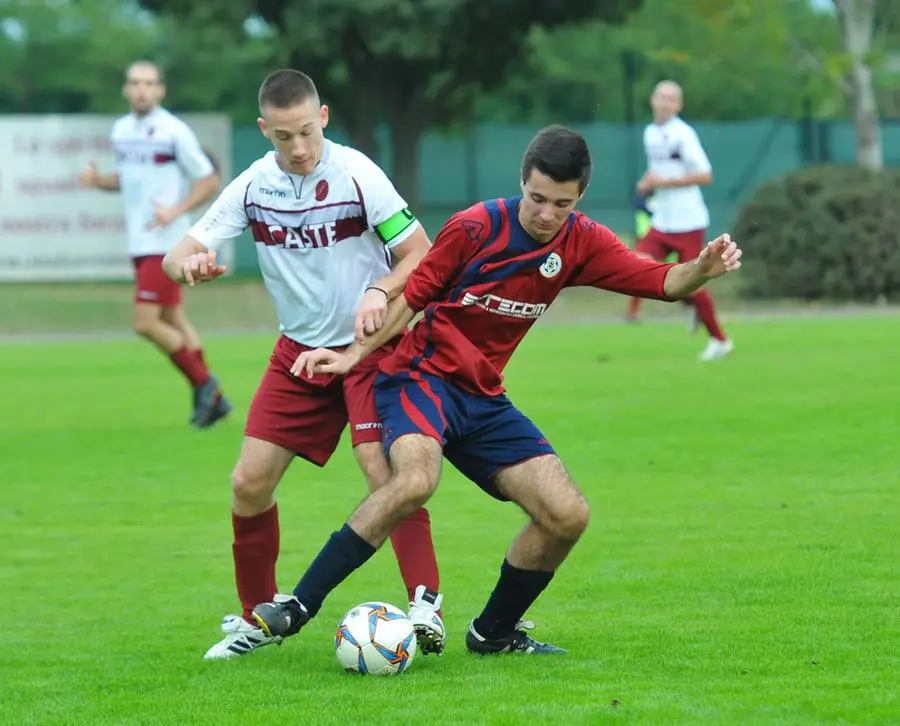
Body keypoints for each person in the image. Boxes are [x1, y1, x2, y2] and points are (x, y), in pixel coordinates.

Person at [249, 124, 743, 656]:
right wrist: (350, 358)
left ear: (579, 198)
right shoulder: (477, 226)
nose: (547, 213)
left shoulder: (582, 241)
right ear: (521, 183)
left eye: (562, 203)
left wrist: (700, 269)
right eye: (537, 198)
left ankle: (494, 633)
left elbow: (662, 282)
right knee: (415, 479)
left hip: (482, 397)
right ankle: (300, 604)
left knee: (567, 514)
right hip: (419, 378)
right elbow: (411, 299)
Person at [161, 69, 444, 660]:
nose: (298, 148)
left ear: (324, 117)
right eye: (283, 136)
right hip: (298, 355)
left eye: (307, 133)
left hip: (369, 350)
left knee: (384, 475)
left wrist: (380, 290)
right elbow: (175, 254)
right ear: (265, 130)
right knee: (249, 483)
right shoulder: (253, 187)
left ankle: (424, 605)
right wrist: (188, 265)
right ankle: (254, 618)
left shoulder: (359, 175)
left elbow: (420, 254)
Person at [79, 60, 230, 427]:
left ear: (160, 89)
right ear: (126, 89)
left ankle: (204, 383)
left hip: (166, 243)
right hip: (139, 240)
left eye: (148, 83)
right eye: (135, 83)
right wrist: (98, 180)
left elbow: (209, 180)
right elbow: (129, 180)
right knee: (172, 318)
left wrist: (175, 210)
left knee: (145, 323)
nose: (141, 89)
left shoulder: (172, 131)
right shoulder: (121, 130)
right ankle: (215, 401)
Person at [625, 80, 733, 361]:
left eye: (671, 99)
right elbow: (659, 171)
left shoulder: (683, 135)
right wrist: (649, 182)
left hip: (687, 220)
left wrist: (664, 182)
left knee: (695, 278)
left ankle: (720, 340)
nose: (664, 102)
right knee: (638, 264)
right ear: (652, 99)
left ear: (678, 105)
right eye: (661, 96)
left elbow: (705, 175)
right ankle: (693, 306)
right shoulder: (650, 132)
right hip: (663, 219)